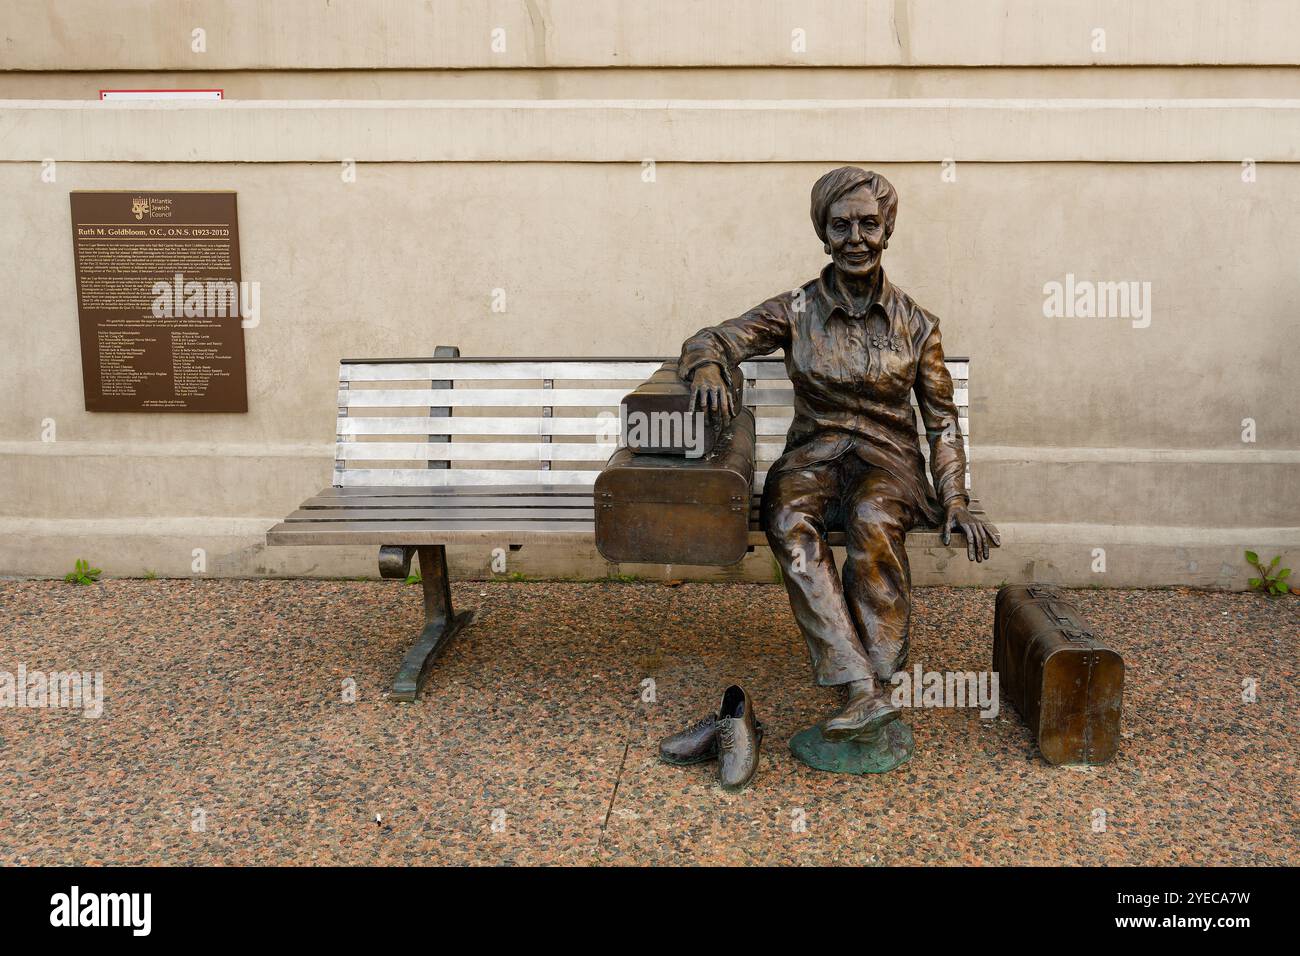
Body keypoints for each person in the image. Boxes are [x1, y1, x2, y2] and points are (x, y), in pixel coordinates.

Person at [678, 167, 1000, 739]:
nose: (856, 238)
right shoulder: (797, 308)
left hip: (889, 465)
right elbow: (715, 336)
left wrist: (956, 498)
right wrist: (707, 363)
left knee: (872, 518)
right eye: (841, 225)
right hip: (813, 460)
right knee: (786, 518)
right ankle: (862, 689)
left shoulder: (917, 325)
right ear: (823, 234)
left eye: (869, 225)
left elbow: (941, 418)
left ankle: (873, 679)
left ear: (888, 230)